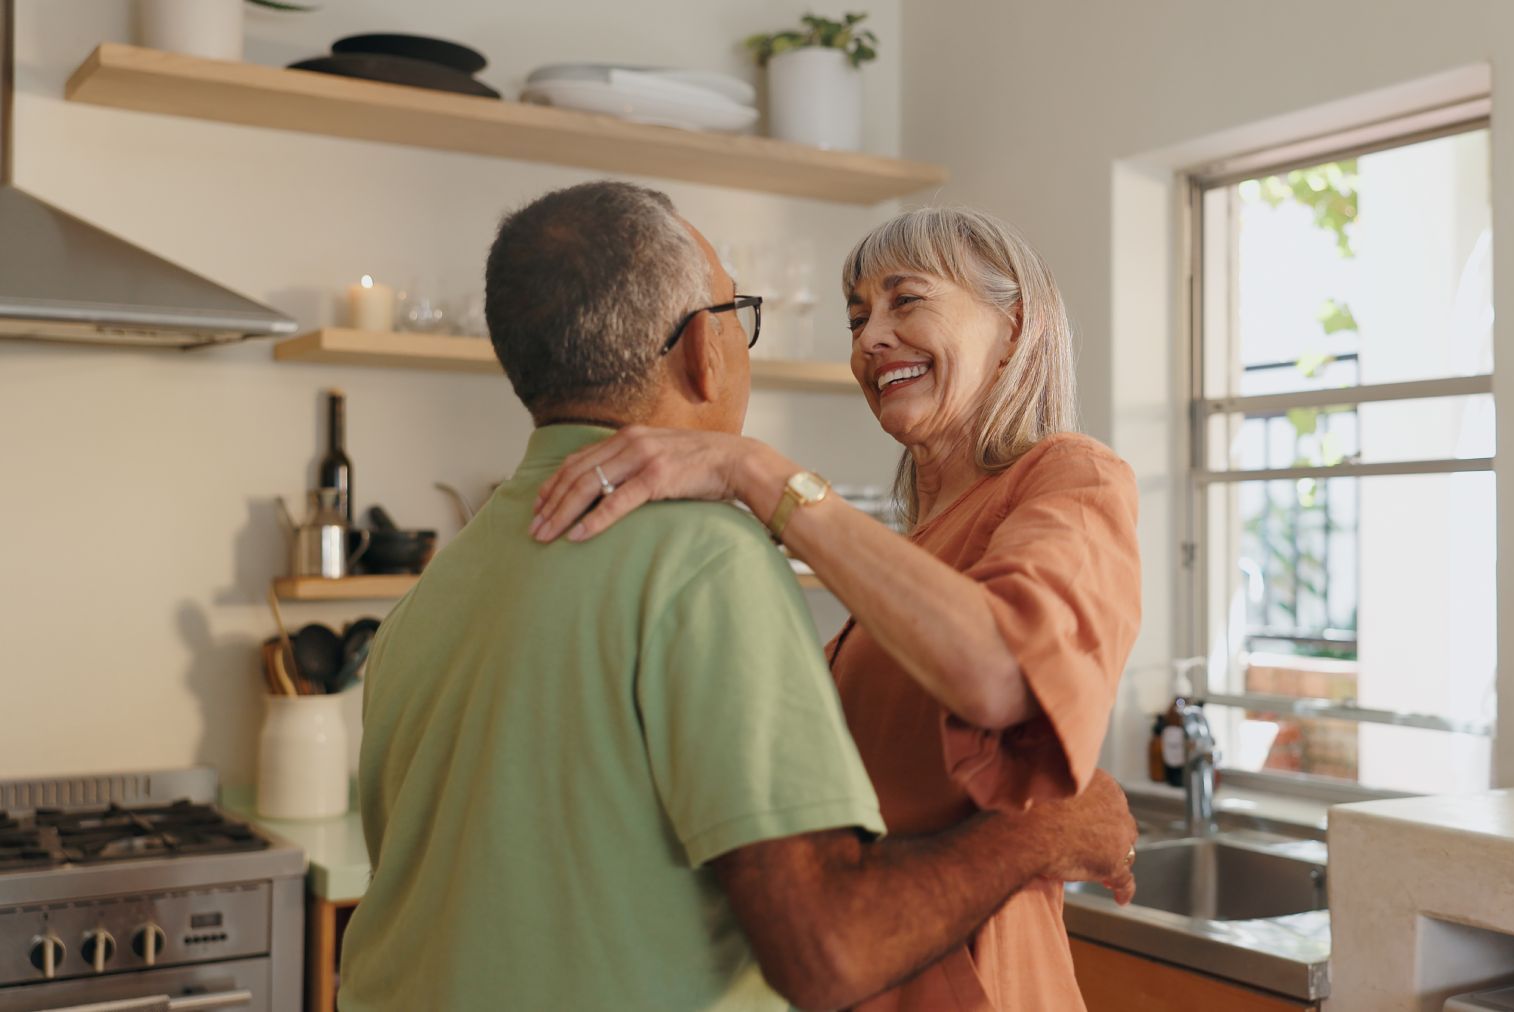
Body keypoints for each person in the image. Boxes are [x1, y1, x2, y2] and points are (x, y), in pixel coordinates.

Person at [336, 182, 1137, 1012]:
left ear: (1015, 328)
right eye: (857, 314)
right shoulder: (723, 560)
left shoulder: (440, 587)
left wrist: (752, 469)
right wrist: (1048, 829)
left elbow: (1005, 670)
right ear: (701, 352)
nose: (870, 338)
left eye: (906, 299)